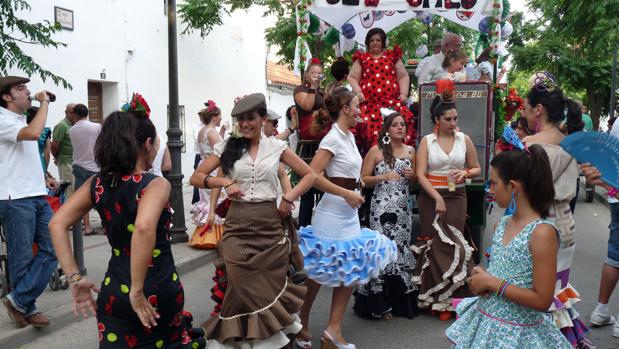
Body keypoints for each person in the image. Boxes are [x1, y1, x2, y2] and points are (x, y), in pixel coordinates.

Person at [49, 94, 205, 348]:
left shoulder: (96, 183)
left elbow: (56, 224)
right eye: (155, 144)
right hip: (155, 288)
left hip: (114, 290)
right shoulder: (155, 184)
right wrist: (137, 289)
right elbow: (143, 227)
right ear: (146, 144)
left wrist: (74, 277)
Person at [189, 93, 316, 348]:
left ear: (262, 119)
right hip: (237, 227)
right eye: (240, 119)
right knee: (243, 286)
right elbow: (196, 176)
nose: (245, 124)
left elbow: (310, 175)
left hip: (269, 226)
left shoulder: (277, 147)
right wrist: (225, 181)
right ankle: (271, 339)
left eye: (251, 118)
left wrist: (289, 197)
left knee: (268, 289)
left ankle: (264, 342)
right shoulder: (228, 147)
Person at [296, 87, 397, 349]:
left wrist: (359, 187)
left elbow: (351, 174)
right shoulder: (332, 139)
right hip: (331, 214)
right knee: (318, 274)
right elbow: (313, 175)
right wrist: (345, 193)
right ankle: (300, 324)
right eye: (357, 106)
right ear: (345, 109)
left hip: (349, 213)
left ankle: (333, 330)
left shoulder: (348, 136)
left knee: (350, 271)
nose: (361, 111)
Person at [445, 145, 572, 348]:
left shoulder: (541, 233)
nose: (490, 189)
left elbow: (542, 299)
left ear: (513, 187)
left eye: (494, 183)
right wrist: (482, 278)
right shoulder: (501, 224)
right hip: (488, 325)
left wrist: (493, 283)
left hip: (518, 334)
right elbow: (503, 273)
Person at [521, 72, 589, 346]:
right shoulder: (574, 145)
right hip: (565, 229)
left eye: (526, 108)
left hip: (535, 231)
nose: (524, 114)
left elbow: (517, 197)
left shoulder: (527, 146)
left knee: (532, 296)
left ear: (539, 110)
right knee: (557, 294)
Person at [412, 81, 481, 320]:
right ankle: (436, 300)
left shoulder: (465, 139)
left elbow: (476, 168)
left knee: (456, 244)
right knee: (435, 245)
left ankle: (456, 299)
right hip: (432, 198)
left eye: (455, 118)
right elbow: (420, 174)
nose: (454, 123)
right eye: (449, 119)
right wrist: (435, 198)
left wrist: (465, 173)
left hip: (457, 196)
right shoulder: (426, 142)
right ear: (437, 121)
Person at [0, 76, 58, 328]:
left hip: (36, 194)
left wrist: (45, 176)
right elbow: (34, 134)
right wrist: (44, 103)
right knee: (21, 257)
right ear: (6, 97)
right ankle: (26, 307)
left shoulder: (20, 120)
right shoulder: (2, 119)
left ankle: (19, 300)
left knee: (53, 249)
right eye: (20, 88)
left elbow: (24, 154)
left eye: (27, 88)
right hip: (14, 198)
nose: (28, 92)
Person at [353, 112, 418, 320]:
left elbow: (415, 185)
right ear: (387, 130)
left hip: (402, 210)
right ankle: (378, 303)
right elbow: (362, 179)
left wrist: (412, 177)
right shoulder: (377, 151)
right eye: (395, 125)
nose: (401, 128)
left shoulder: (410, 151)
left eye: (403, 125)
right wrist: (383, 176)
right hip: (380, 208)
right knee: (381, 250)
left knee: (399, 248)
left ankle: (398, 302)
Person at [348, 27, 416, 155]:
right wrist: (358, 92)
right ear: (368, 42)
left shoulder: (392, 56)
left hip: (392, 104)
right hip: (369, 105)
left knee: (401, 125)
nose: (375, 43)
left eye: (378, 40)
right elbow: (352, 77)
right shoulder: (362, 58)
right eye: (372, 40)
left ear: (383, 42)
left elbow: (403, 76)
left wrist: (403, 94)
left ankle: (398, 158)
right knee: (369, 130)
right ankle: (375, 160)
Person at [582, 161, 619, 338]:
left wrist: (607, 185)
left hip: (615, 197)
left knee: (614, 255)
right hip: (615, 193)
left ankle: (601, 310)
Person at [191, 102, 225, 228]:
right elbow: (221, 152)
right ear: (214, 117)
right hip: (214, 169)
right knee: (216, 200)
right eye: (220, 115)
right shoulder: (212, 132)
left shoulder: (202, 131)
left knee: (206, 200)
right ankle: (215, 232)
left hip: (203, 166)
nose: (221, 118)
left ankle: (204, 230)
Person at [70, 103, 101, 236]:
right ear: (87, 113)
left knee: (82, 199)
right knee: (100, 197)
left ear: (75, 114)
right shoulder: (97, 127)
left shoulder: (72, 130)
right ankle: (106, 225)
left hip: (79, 166)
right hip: (95, 167)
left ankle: (87, 227)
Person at [52, 103, 76, 195]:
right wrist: (57, 157)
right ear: (66, 112)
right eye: (72, 112)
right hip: (66, 162)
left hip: (75, 162)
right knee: (69, 191)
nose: (74, 114)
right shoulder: (62, 125)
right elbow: (54, 146)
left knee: (76, 190)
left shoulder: (76, 124)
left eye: (76, 112)